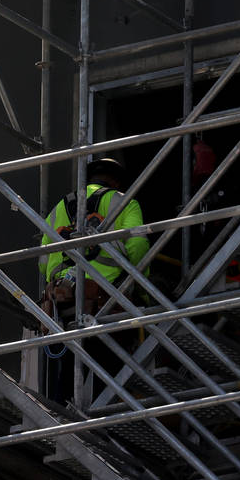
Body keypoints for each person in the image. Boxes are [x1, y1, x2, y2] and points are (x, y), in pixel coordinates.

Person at [39, 157, 149, 401]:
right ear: (117, 181)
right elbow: (138, 245)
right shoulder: (124, 202)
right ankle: (106, 417)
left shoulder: (57, 209)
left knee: (67, 372)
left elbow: (44, 261)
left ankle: (60, 415)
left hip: (62, 302)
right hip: (106, 301)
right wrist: (141, 287)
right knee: (108, 374)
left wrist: (59, 281)